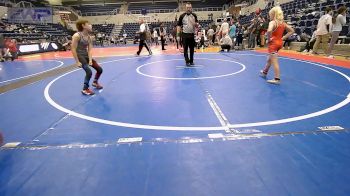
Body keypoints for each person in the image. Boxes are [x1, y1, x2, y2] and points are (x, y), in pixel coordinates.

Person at [260, 6, 294, 85]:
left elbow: (269, 31)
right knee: (270, 59)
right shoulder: (282, 23)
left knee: (274, 61)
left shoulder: (272, 22)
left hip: (273, 44)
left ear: (273, 14)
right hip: (279, 43)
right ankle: (265, 72)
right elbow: (292, 31)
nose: (269, 17)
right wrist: (283, 37)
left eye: (270, 15)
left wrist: (269, 39)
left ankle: (277, 78)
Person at [71, 19, 103, 96]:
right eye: (88, 24)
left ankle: (95, 82)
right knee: (89, 72)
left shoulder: (89, 37)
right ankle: (85, 89)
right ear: (83, 26)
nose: (91, 26)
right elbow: (73, 48)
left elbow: (90, 50)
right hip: (80, 56)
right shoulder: (77, 36)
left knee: (99, 69)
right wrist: (77, 61)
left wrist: (90, 60)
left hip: (86, 55)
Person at [177, 2, 198, 66]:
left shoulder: (194, 15)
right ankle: (187, 61)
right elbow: (178, 26)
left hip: (191, 34)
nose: (188, 9)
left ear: (191, 8)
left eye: (190, 7)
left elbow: (197, 25)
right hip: (185, 35)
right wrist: (178, 35)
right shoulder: (182, 16)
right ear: (185, 8)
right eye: (187, 8)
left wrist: (195, 24)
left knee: (192, 49)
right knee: (185, 49)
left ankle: (191, 61)